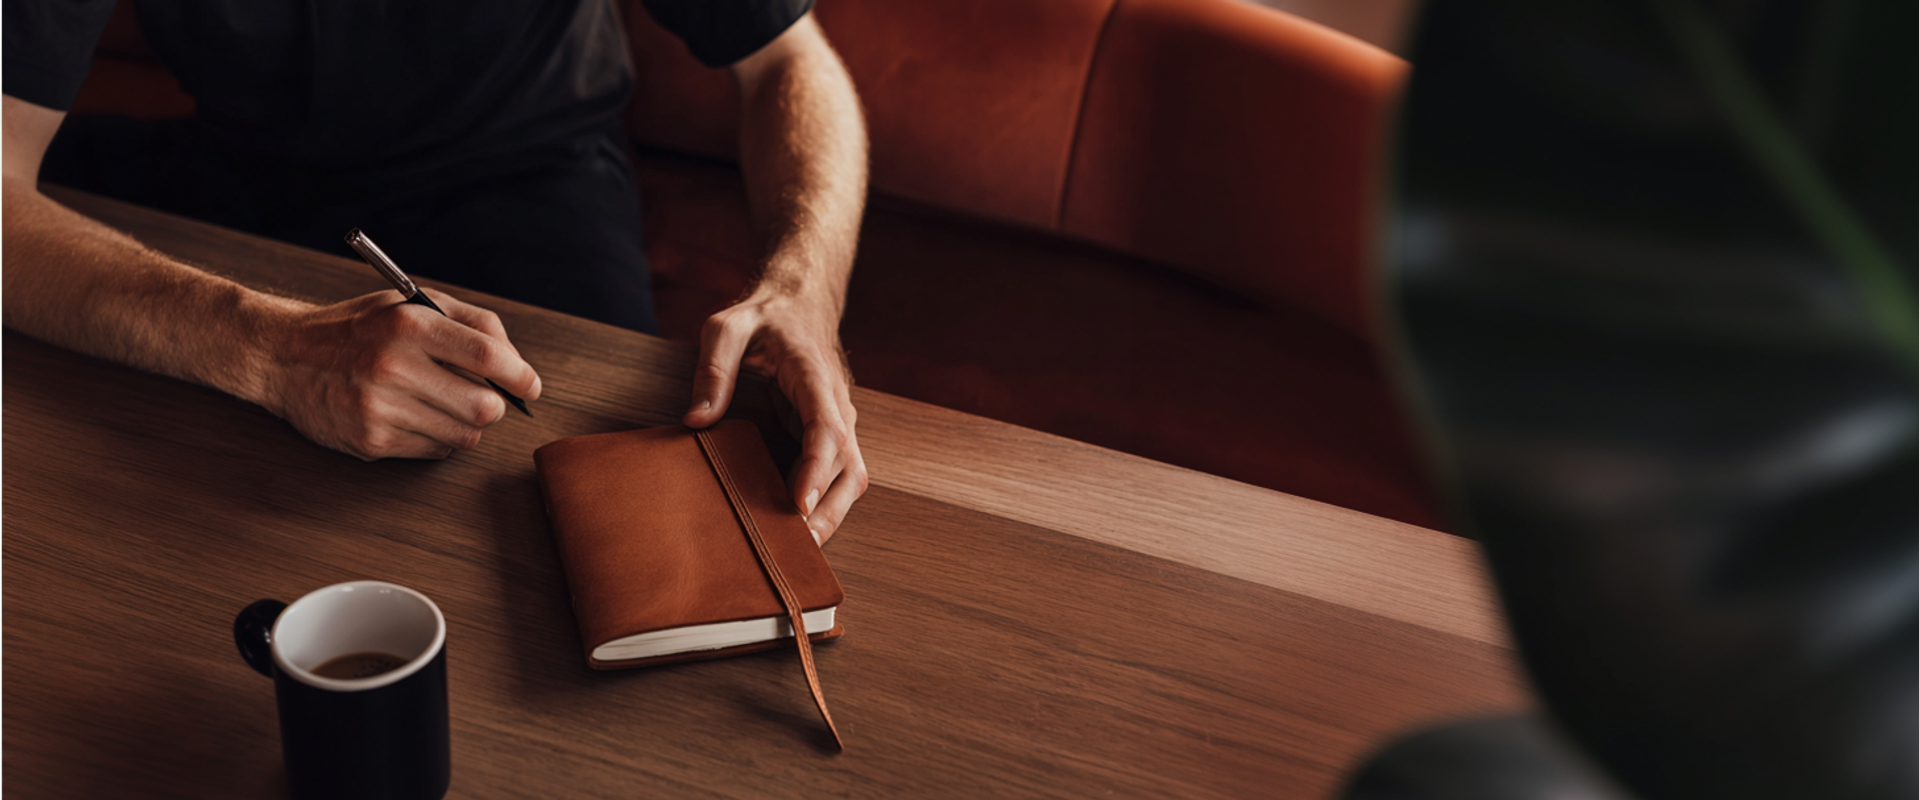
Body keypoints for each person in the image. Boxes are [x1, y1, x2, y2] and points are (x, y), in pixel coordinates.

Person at [1, 0, 869, 541]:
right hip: (239, 174)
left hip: (535, 178)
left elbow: (786, 60)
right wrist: (267, 350)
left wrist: (804, 288)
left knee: (585, 516)